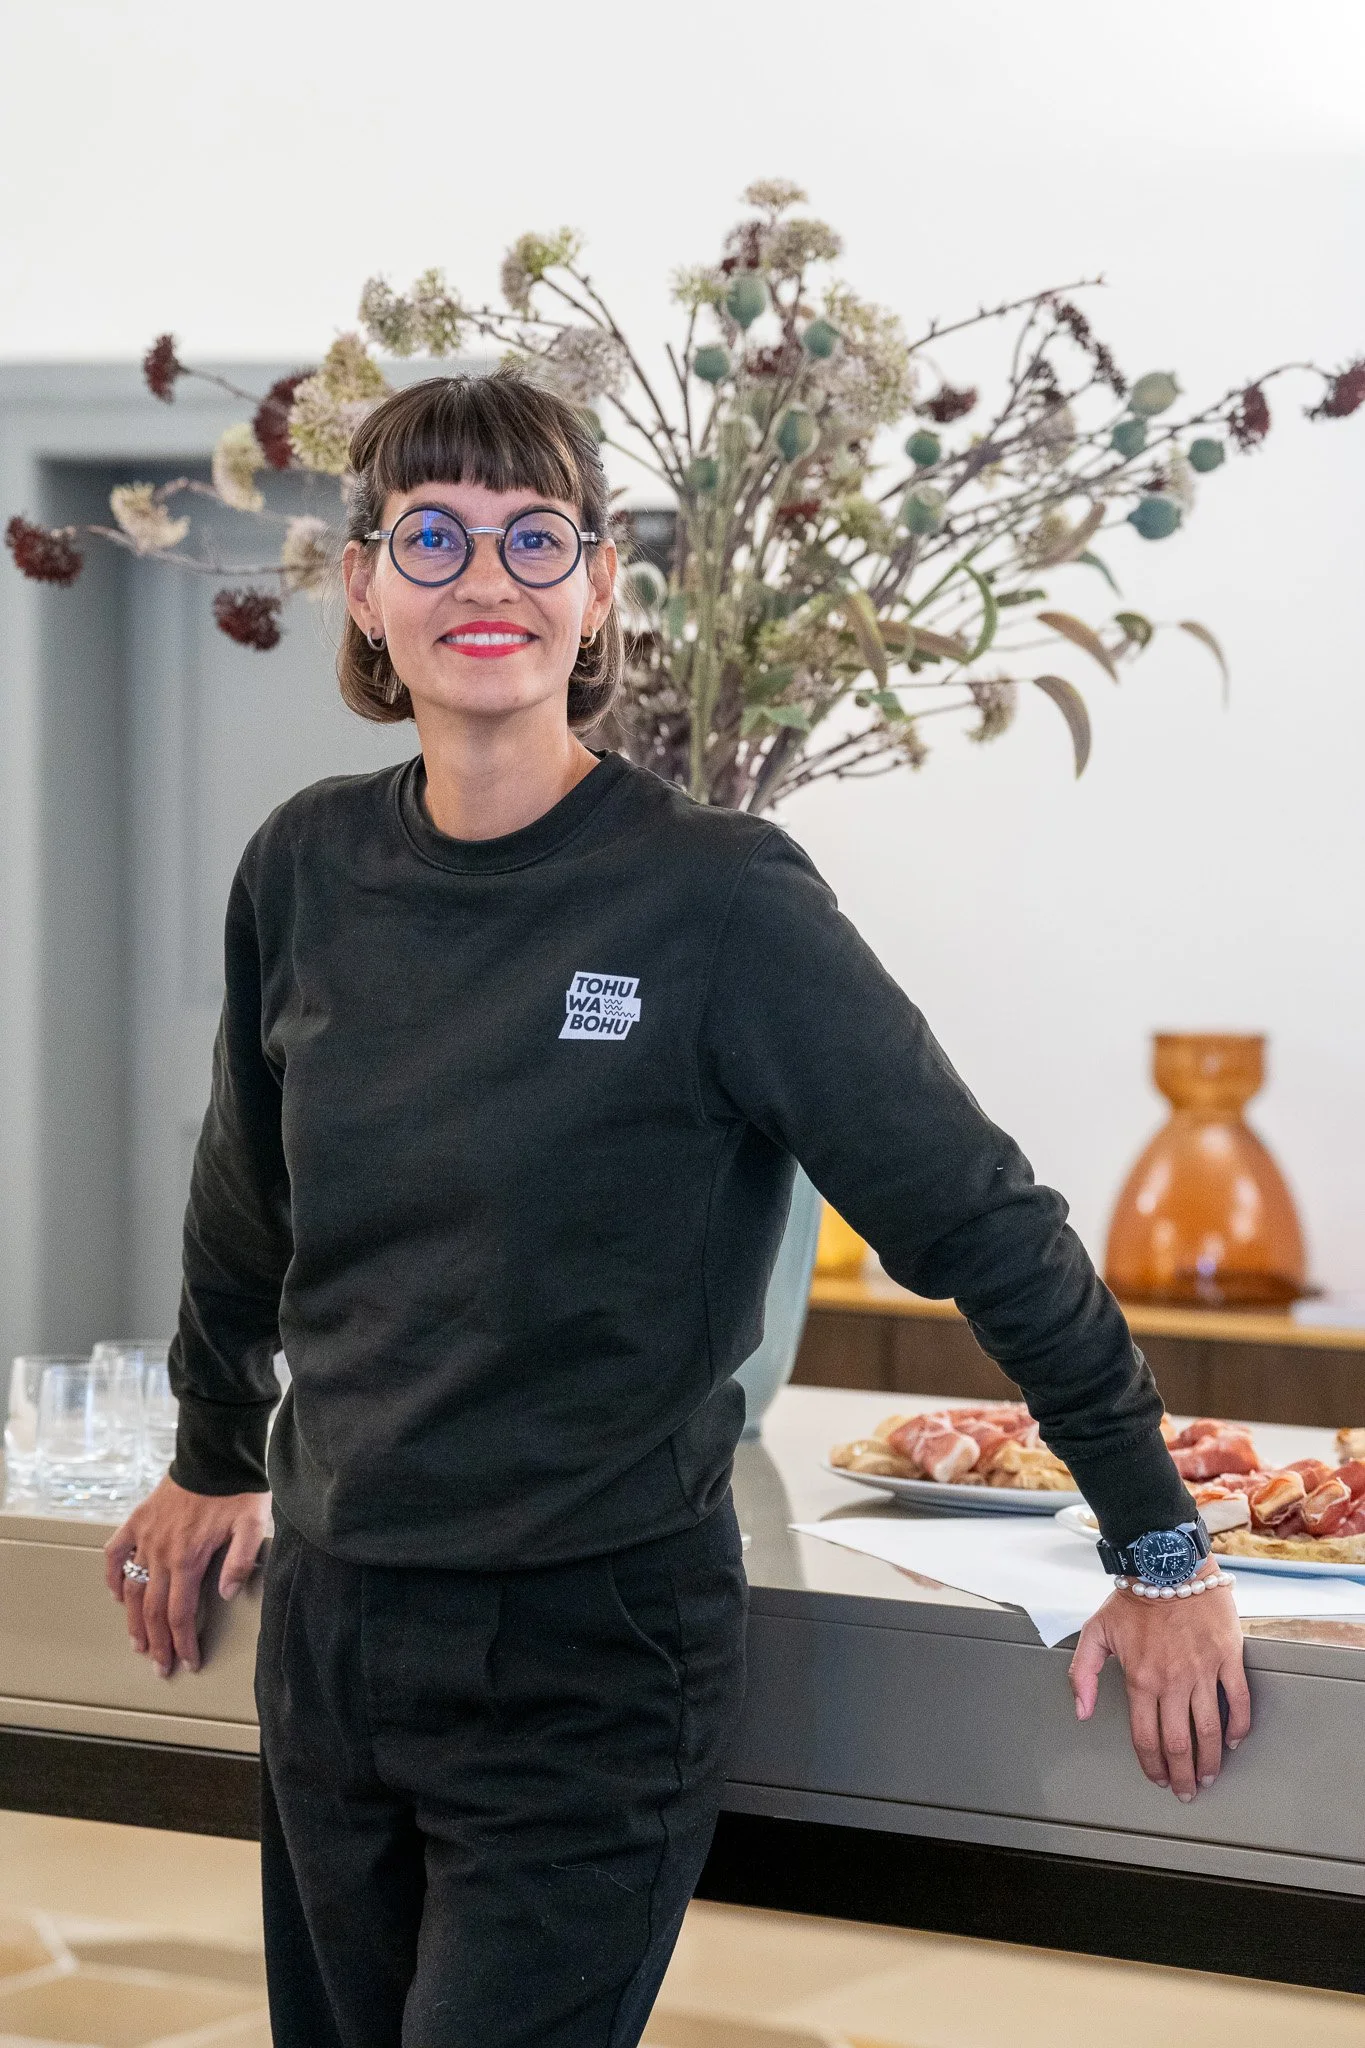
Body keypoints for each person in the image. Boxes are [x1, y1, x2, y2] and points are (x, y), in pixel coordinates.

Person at [105, 368, 1250, 2048]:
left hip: (587, 1652)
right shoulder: (303, 868)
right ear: (361, 585)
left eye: (534, 538)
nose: (485, 579)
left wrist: (1158, 1540)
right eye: (431, 535)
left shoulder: (719, 901)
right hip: (334, 1628)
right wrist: (214, 1448)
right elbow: (245, 1200)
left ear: (597, 591)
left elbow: (981, 1218)